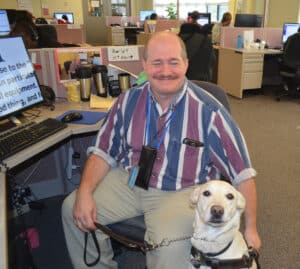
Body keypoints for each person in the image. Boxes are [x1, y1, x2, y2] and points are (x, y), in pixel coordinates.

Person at [62, 32, 261, 269]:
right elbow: (102, 151)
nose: (165, 71)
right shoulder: (128, 101)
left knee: (168, 250)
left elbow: (242, 173)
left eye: (173, 62)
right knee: (72, 208)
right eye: (156, 62)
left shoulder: (210, 111)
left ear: (186, 64)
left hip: (183, 192)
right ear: (144, 65)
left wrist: (251, 229)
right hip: (130, 180)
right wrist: (84, 192)